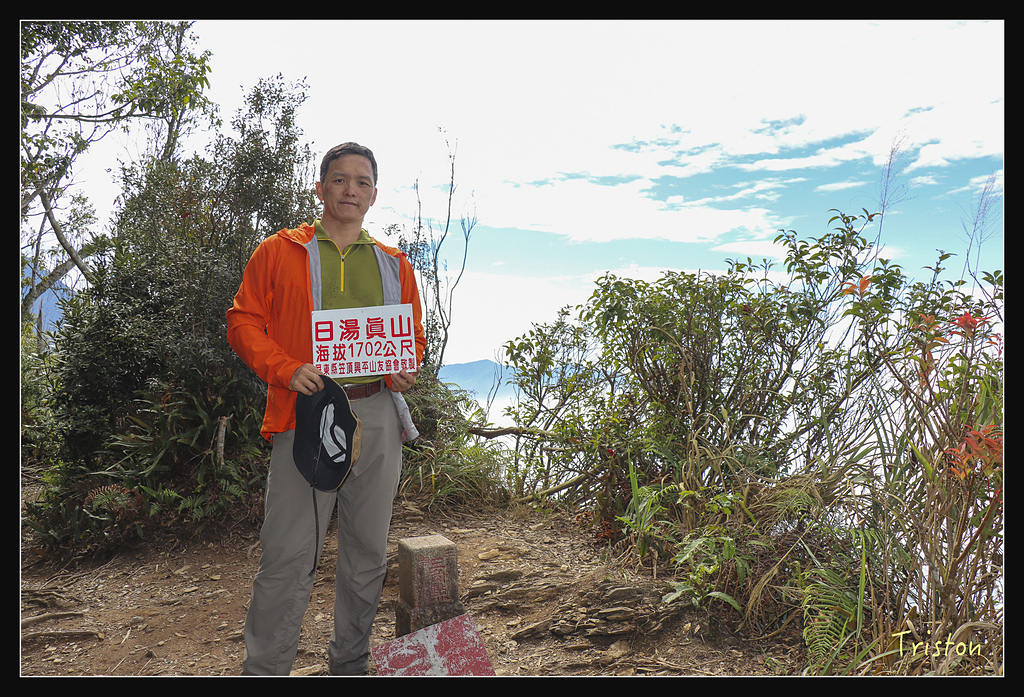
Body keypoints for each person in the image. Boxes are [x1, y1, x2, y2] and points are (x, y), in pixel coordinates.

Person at [226, 142, 425, 675]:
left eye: (362, 183)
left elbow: (411, 337)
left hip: (377, 413)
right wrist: (285, 367)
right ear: (320, 188)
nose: (350, 190)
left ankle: (350, 664)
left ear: (374, 195)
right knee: (287, 553)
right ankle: (265, 671)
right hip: (307, 413)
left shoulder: (394, 263)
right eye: (340, 180)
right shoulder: (279, 251)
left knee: (367, 553)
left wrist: (405, 367)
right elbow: (242, 321)